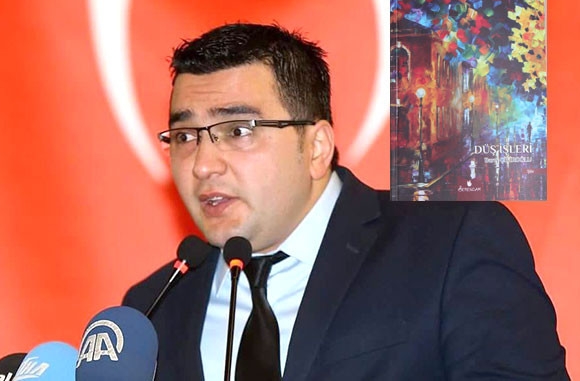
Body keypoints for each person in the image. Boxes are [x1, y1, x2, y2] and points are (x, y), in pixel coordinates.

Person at [123, 23, 569, 380]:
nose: (203, 165)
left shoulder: (450, 246)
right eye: (184, 137)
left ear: (316, 147)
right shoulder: (152, 308)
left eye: (238, 131)